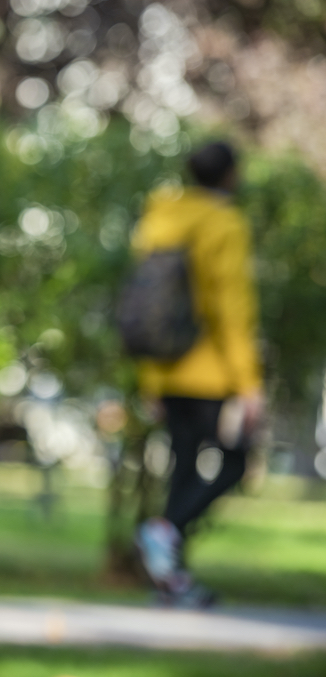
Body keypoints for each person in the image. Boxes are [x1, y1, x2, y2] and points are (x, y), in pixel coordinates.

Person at [132, 140, 264, 607]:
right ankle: (164, 530)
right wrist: (249, 386)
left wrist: (150, 381)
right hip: (210, 375)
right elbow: (232, 309)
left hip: (166, 371)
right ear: (229, 175)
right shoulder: (225, 223)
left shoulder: (161, 218)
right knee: (236, 463)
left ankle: (172, 583)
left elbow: (149, 303)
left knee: (184, 469)